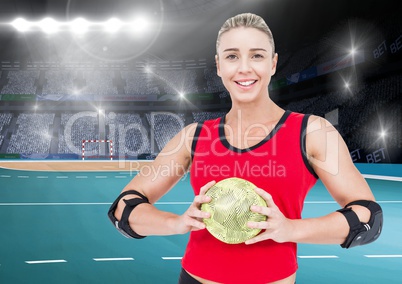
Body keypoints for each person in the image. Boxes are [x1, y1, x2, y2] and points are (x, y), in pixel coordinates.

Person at [108, 13, 383, 284]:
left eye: (257, 55)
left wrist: (291, 229)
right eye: (231, 56)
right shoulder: (194, 137)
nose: (244, 68)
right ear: (218, 66)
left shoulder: (311, 132)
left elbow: (368, 216)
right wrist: (176, 224)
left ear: (273, 63)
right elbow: (124, 208)